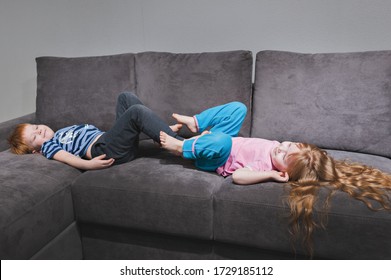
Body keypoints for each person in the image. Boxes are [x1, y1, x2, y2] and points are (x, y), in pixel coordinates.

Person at [160, 101, 391, 256]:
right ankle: (196, 122)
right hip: (221, 139)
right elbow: (286, 148)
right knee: (238, 109)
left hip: (215, 156)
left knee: (222, 143)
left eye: (284, 155)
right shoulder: (276, 148)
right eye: (287, 145)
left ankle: (182, 147)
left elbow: (239, 176)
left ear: (284, 172)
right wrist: (213, 132)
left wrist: (269, 174)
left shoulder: (266, 165)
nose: (280, 148)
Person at [8, 92, 183, 170]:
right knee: (136, 111)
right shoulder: (49, 147)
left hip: (109, 141)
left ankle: (161, 134)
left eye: (37, 127)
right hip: (105, 150)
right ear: (35, 150)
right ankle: (181, 144)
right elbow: (65, 156)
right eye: (35, 136)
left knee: (125, 97)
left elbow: (121, 134)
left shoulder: (61, 132)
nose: (40, 131)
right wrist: (87, 165)